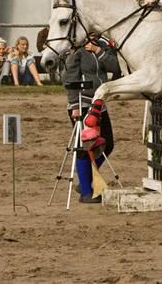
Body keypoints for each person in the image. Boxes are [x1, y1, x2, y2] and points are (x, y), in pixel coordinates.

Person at [63, 33, 121, 203]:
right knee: (84, 147)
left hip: (98, 103)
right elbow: (68, 78)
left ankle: (85, 180)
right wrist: (74, 105)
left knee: (107, 144)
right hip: (82, 104)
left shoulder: (102, 46)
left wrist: (98, 51)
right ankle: (86, 192)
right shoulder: (76, 51)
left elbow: (116, 67)